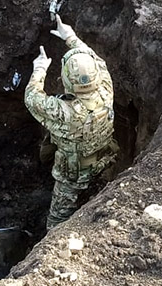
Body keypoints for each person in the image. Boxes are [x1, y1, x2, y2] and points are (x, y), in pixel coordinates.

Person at [24, 15, 119, 228]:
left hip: (73, 176)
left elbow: (31, 97)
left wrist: (39, 69)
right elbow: (96, 60)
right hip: (104, 159)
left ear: (66, 79)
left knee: (57, 221)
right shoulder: (106, 88)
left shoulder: (62, 112)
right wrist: (71, 37)